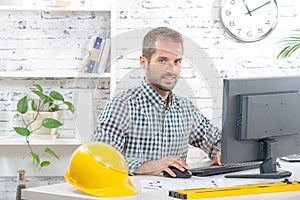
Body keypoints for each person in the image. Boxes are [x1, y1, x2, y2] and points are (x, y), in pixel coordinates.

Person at [91, 27, 222, 177]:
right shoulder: (122, 106)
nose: (171, 69)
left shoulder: (186, 109)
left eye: (177, 61)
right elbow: (99, 159)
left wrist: (220, 151)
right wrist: (147, 166)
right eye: (162, 60)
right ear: (143, 62)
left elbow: (218, 140)